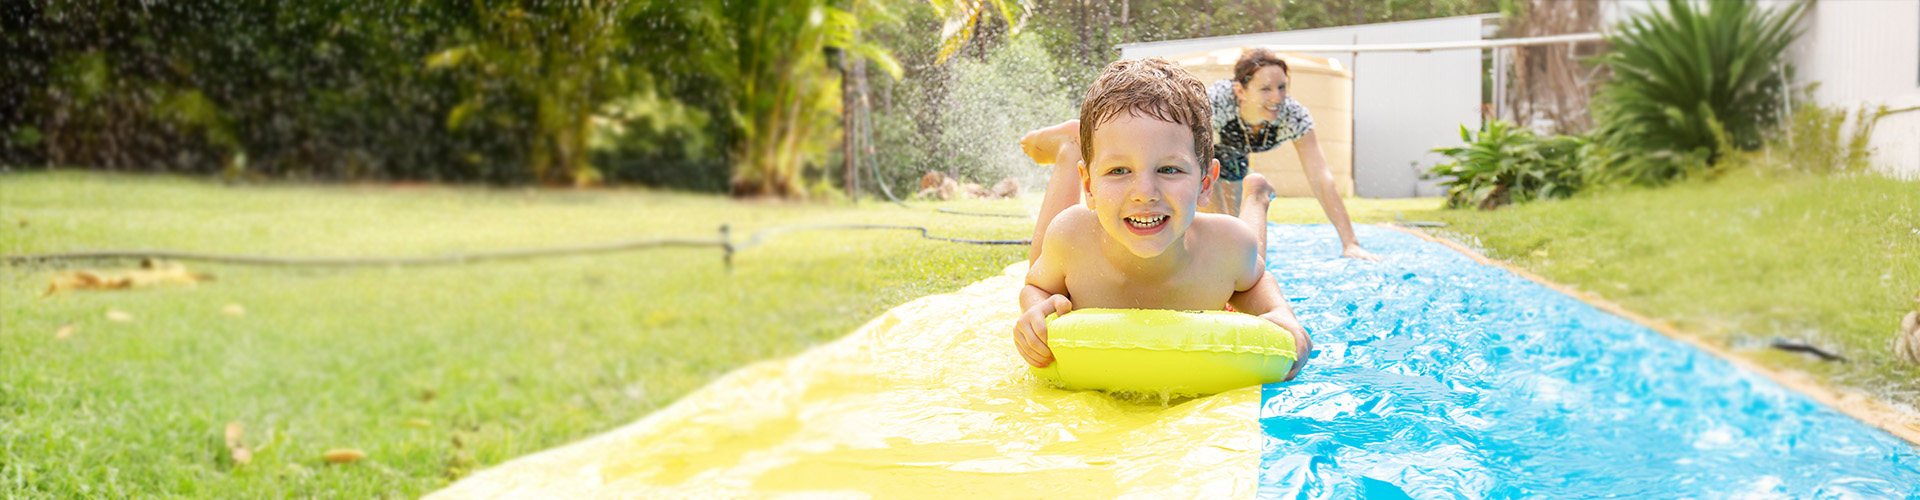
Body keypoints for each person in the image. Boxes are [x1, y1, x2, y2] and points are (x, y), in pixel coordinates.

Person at [1012, 57, 1311, 382]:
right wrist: (1034, 310)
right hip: (1080, 231)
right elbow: (1036, 285)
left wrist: (1280, 312)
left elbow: (1253, 280)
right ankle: (1070, 149)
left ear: (1205, 184)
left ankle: (1256, 196)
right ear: (1089, 185)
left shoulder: (1229, 246)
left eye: (1169, 169)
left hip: (1227, 245)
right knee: (1042, 252)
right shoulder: (1072, 238)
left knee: (1246, 247)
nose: (1144, 192)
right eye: (1118, 170)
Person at [1021, 48, 1380, 262]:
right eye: (1265, 88)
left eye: (1282, 87)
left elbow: (1322, 178)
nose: (1276, 97)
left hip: (1233, 155)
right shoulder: (1217, 102)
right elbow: (1156, 129)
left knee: (1232, 242)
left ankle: (1252, 201)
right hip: (1193, 151)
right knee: (1211, 229)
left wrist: (1349, 242)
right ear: (1240, 90)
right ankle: (1080, 134)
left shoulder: (1292, 116)